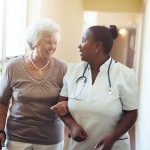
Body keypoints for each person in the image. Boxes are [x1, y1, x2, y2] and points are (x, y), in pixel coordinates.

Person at [51, 25, 138, 150]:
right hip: (78, 145)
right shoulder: (73, 71)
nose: (79, 46)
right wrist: (72, 126)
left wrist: (113, 137)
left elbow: (131, 113)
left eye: (84, 40)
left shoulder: (125, 74)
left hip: (113, 146)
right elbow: (61, 105)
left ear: (97, 46)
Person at [0, 18, 67, 150]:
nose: (53, 46)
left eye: (55, 42)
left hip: (50, 138)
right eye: (48, 42)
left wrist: (66, 103)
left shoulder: (62, 68)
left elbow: (69, 98)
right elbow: (2, 101)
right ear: (34, 43)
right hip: (17, 137)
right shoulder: (13, 66)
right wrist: (0, 130)